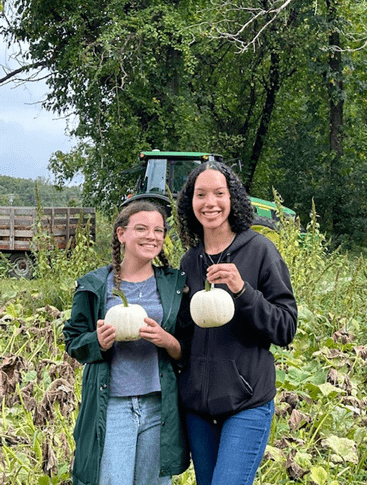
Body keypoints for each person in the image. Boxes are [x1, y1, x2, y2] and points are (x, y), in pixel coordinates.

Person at [176, 161, 297, 485]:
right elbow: (186, 334)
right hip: (199, 410)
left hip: (246, 403)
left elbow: (285, 328)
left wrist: (243, 291)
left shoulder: (259, 250)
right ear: (190, 202)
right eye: (200, 194)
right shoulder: (190, 261)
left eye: (219, 193)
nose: (210, 202)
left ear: (233, 199)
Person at [63, 201, 190, 485]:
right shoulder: (95, 284)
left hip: (159, 406)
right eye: (141, 228)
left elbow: (187, 347)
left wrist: (168, 341)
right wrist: (97, 342)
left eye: (159, 230)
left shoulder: (173, 284)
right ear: (121, 234)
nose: (152, 236)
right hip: (113, 404)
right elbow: (73, 341)